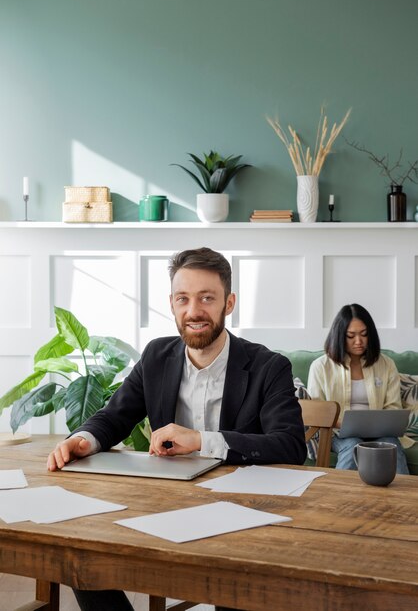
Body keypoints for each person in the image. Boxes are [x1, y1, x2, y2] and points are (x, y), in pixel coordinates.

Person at [48, 246, 307, 611]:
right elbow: (115, 415)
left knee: (238, 589)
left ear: (228, 303)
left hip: (240, 517)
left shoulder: (269, 366)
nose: (193, 311)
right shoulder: (156, 356)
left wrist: (201, 440)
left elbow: (290, 446)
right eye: (183, 299)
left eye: (206, 298)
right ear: (171, 303)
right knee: (81, 558)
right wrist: (83, 439)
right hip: (164, 508)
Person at [307, 303, 409, 474]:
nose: (359, 341)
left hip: (381, 432)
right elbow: (318, 413)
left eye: (364, 334)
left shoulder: (386, 364)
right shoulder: (320, 367)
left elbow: (393, 407)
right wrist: (345, 424)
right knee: (352, 445)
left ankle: (407, 501)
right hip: (338, 433)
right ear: (340, 336)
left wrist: (377, 424)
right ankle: (337, 500)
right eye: (351, 336)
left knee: (392, 447)